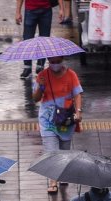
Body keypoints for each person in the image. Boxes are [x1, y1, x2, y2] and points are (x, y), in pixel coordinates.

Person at [32, 56, 84, 193]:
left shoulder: (71, 75)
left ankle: (62, 173)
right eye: (52, 62)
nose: (55, 65)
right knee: (51, 151)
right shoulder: (42, 75)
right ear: (48, 61)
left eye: (57, 62)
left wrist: (78, 111)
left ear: (62, 60)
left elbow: (78, 94)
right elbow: (35, 98)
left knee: (64, 149)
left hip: (65, 119)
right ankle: (53, 181)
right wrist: (41, 87)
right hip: (48, 119)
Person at [15, 0, 65, 79]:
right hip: (30, 10)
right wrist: (18, 12)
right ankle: (27, 67)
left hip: (46, 10)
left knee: (44, 40)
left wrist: (61, 9)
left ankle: (40, 66)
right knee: (27, 40)